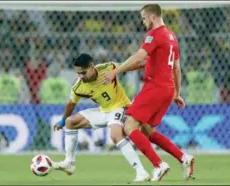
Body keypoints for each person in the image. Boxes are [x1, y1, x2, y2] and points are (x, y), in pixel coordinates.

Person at [100, 4, 195, 182]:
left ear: (152, 16)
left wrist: (116, 71)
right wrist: (176, 93)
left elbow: (138, 56)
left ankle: (159, 165)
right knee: (147, 131)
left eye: (143, 18)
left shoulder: (154, 35)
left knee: (129, 127)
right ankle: (184, 158)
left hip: (155, 87)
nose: (143, 22)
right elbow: (175, 67)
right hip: (167, 88)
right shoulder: (172, 37)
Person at [52, 53, 150, 182]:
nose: (81, 76)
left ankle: (141, 172)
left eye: (83, 72)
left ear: (92, 66)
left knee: (115, 135)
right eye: (78, 73)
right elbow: (71, 104)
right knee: (71, 122)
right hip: (103, 111)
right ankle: (69, 162)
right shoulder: (78, 86)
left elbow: (125, 66)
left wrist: (145, 65)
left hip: (120, 106)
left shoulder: (107, 68)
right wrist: (63, 120)